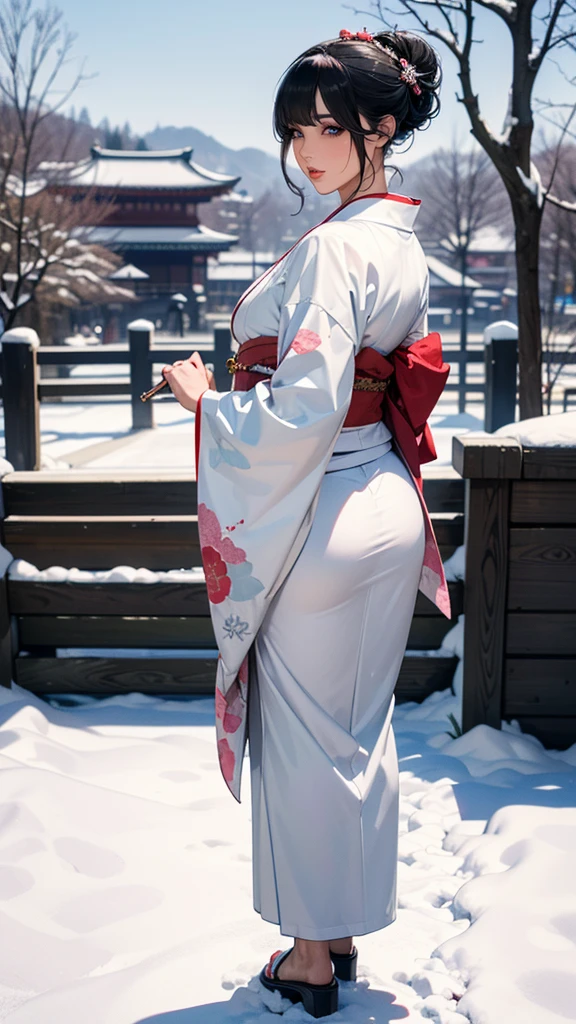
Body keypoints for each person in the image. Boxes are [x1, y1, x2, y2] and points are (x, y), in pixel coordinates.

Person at [162, 28, 448, 1019]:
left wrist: (206, 404)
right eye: (296, 130)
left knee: (303, 740)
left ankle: (310, 955)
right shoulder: (398, 235)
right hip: (384, 505)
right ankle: (340, 930)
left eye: (330, 126)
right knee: (356, 732)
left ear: (380, 123)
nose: (309, 149)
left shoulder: (332, 247)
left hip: (325, 502)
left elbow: (303, 407)